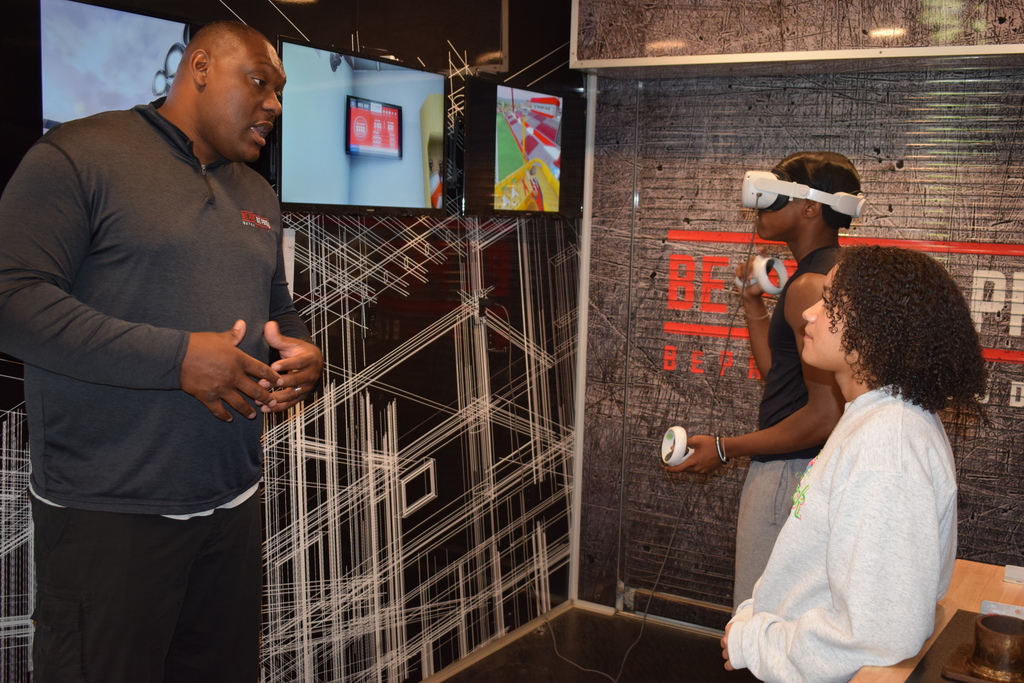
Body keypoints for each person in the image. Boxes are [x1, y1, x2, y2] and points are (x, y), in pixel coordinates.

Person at [0, 21, 323, 683]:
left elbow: (275, 313)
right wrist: (174, 358)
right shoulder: (78, 154)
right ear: (199, 67)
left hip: (230, 509)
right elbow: (12, 299)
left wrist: (302, 358)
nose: (275, 106)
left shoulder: (257, 194)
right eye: (260, 82)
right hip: (109, 517)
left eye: (281, 93)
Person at [721, 246, 987, 682]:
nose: (809, 313)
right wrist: (755, 619)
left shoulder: (887, 445)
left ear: (878, 327)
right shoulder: (874, 419)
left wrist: (755, 642)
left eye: (829, 302)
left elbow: (877, 632)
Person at [666, 151, 860, 608]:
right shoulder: (831, 275)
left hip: (789, 476)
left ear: (811, 206)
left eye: (777, 194)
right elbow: (782, 376)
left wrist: (723, 448)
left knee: (761, 621)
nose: (760, 207)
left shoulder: (811, 287)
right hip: (808, 471)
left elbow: (825, 414)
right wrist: (754, 304)